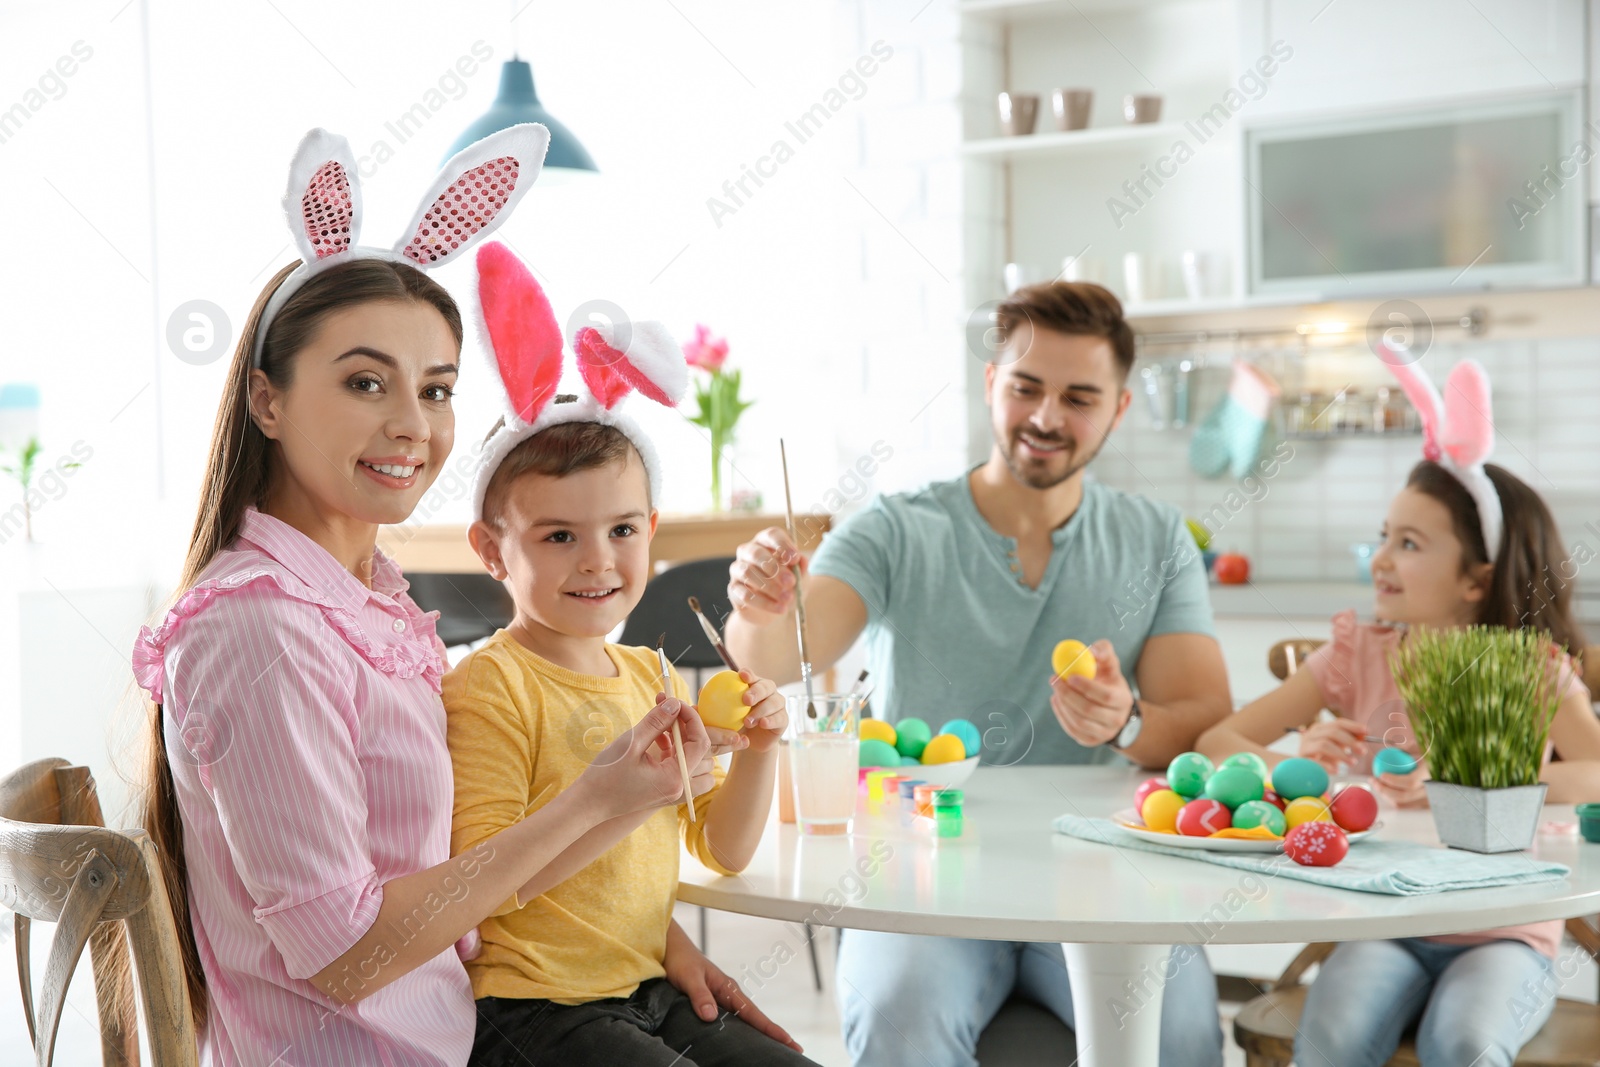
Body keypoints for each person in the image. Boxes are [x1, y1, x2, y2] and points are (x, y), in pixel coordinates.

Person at [129, 127, 786, 1066]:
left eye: (436, 389)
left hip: (451, 1027)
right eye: (365, 381)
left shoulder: (364, 601)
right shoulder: (262, 627)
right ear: (266, 401)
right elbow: (348, 959)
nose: (411, 424)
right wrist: (594, 799)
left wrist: (645, 943)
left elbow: (457, 885)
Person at [726, 281, 1232, 1067]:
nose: (1046, 416)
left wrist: (1128, 720)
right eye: (1026, 386)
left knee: (1182, 1032)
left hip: (1104, 872)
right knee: (899, 1013)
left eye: (1079, 396)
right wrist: (759, 604)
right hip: (923, 870)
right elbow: (775, 653)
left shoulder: (1155, 537)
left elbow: (1203, 720)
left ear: (1119, 410)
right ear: (992, 382)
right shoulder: (899, 526)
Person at [445, 242, 816, 1066]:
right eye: (558, 536)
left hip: (646, 984)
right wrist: (630, 796)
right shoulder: (488, 687)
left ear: (650, 530)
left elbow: (722, 850)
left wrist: (760, 749)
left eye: (620, 530)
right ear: (492, 548)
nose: (597, 561)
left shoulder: (647, 674)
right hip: (532, 1009)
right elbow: (488, 886)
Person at [1197, 358, 1600, 1067]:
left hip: (1500, 929)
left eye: (1409, 544)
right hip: (1380, 916)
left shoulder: (1529, 670)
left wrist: (1473, 781)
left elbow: (1597, 771)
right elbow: (1220, 737)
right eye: (1385, 534)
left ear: (1477, 578)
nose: (1381, 557)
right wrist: (1295, 764)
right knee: (1332, 1038)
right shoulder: (1356, 655)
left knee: (1466, 1042)